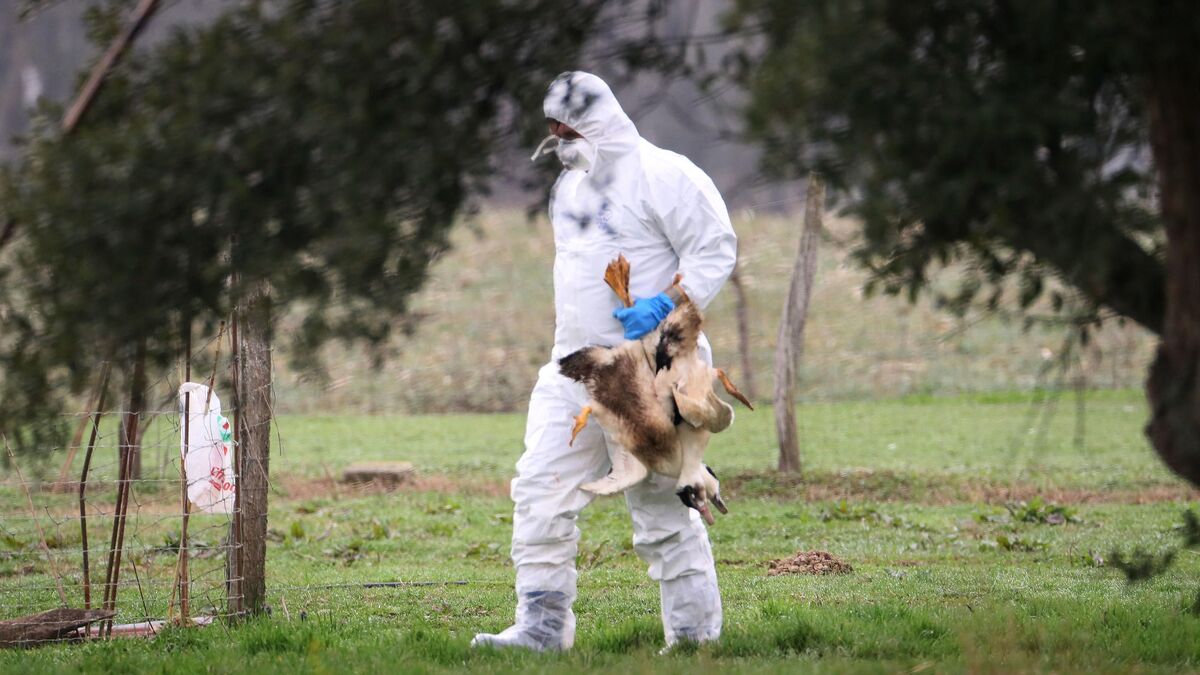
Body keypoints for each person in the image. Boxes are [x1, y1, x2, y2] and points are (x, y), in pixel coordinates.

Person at [471, 71, 737, 652]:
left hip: (652, 375)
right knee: (539, 491)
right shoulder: (569, 190)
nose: (560, 140)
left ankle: (695, 639)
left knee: (663, 506)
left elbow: (715, 247)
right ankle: (541, 631)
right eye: (553, 130)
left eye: (569, 128)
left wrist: (667, 304)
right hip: (572, 372)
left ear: (598, 121)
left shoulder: (666, 175)